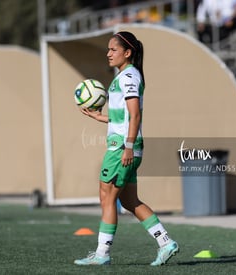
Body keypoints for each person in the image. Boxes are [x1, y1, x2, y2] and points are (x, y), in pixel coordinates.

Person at [74, 31, 179, 266]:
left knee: (107, 198)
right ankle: (166, 242)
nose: (108, 53)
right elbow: (121, 117)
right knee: (131, 201)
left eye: (113, 49)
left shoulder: (129, 76)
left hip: (122, 147)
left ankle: (102, 254)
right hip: (125, 145)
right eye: (108, 49)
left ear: (127, 52)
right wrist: (98, 117)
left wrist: (128, 147)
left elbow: (135, 114)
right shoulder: (124, 75)